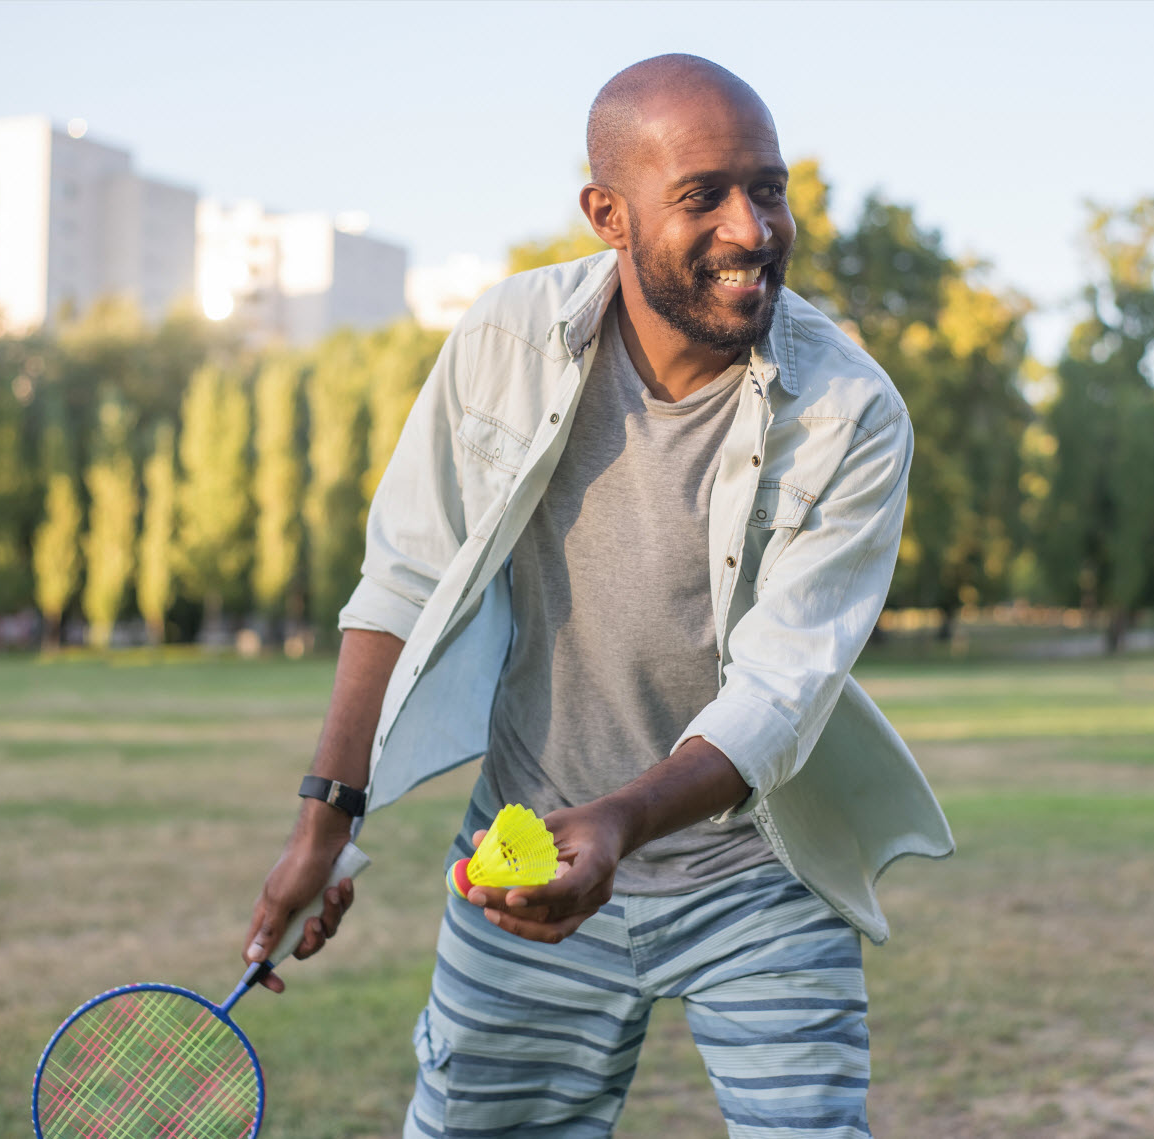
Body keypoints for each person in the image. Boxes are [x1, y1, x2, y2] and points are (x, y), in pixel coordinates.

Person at [241, 53, 953, 1138]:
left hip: (760, 871)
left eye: (767, 187)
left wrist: (621, 819)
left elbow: (781, 686)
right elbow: (401, 579)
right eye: (702, 195)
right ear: (606, 213)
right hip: (518, 864)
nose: (752, 229)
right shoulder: (500, 342)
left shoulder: (851, 410)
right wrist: (321, 822)